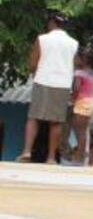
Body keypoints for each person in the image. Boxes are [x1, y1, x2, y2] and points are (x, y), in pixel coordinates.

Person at [18, 13, 79, 163]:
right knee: (56, 122)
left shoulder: (42, 39)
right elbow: (75, 65)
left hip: (43, 81)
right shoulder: (73, 43)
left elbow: (33, 63)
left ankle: (27, 152)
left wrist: (34, 72)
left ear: (52, 23)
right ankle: (51, 157)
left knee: (34, 118)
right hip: (62, 84)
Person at [66, 49, 93, 165]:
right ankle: (81, 156)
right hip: (92, 102)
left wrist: (72, 100)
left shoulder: (79, 73)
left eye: (77, 57)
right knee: (83, 131)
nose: (75, 60)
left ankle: (79, 158)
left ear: (83, 59)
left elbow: (76, 88)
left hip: (82, 102)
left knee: (79, 132)